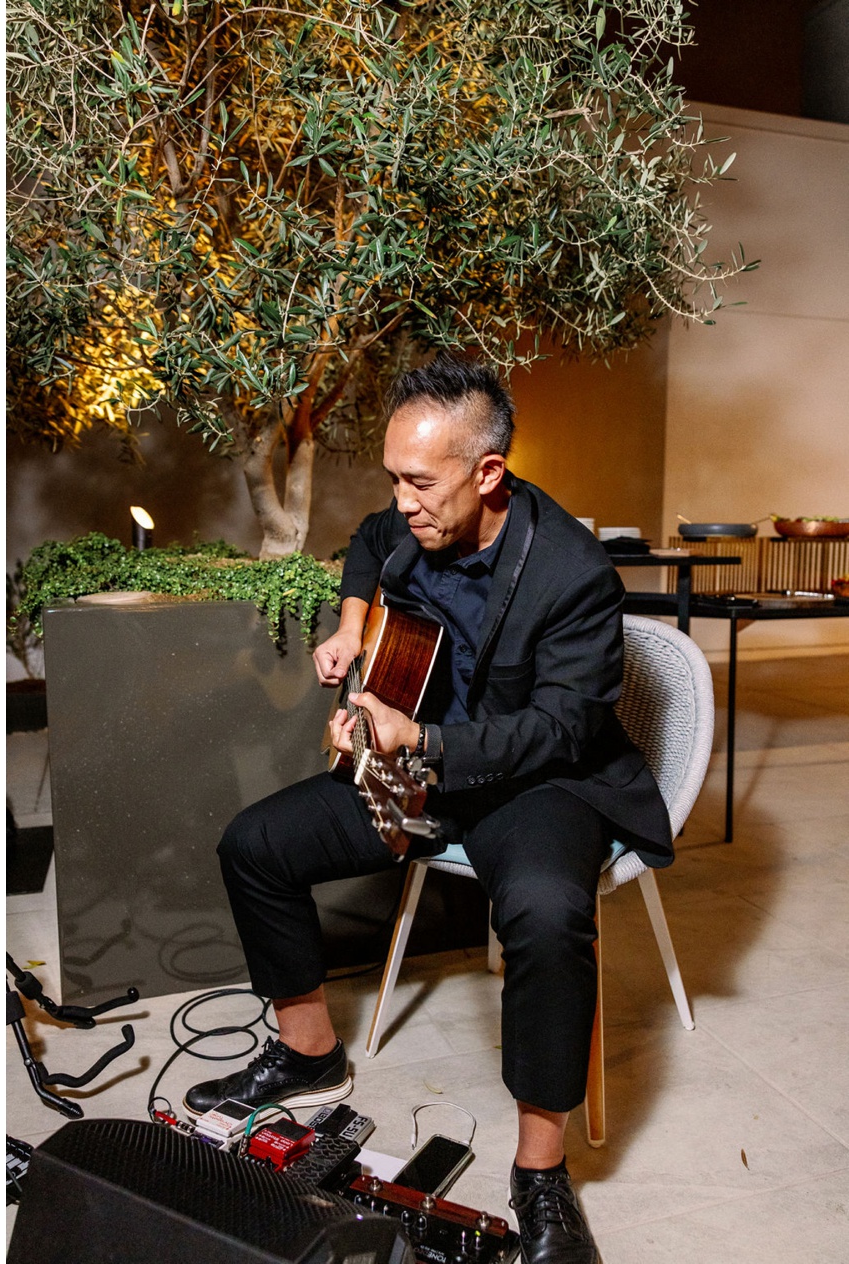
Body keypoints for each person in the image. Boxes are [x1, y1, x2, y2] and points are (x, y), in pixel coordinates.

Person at [187, 356, 671, 1264]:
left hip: (535, 783)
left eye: (421, 481)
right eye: (394, 478)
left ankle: (541, 1176)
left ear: (487, 473)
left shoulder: (573, 570)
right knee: (254, 843)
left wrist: (422, 741)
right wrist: (348, 626)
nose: (402, 501)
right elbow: (367, 542)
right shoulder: (406, 527)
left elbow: (565, 726)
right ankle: (308, 1054)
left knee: (547, 911)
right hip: (421, 770)